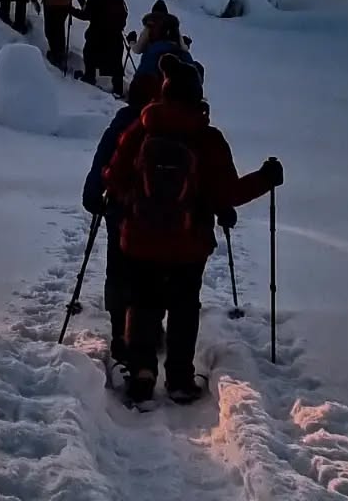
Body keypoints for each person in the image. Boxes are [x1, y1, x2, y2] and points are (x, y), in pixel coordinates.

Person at [105, 54, 283, 405]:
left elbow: (113, 176)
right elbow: (227, 193)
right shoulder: (207, 138)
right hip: (189, 243)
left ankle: (142, 372)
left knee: (142, 304)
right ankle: (179, 379)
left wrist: (132, 200)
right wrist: (266, 178)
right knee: (184, 307)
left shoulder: (141, 129)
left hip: (140, 239)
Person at [82, 69, 164, 363]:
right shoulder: (165, 126)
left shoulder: (121, 125)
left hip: (120, 214)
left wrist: (94, 197)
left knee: (118, 272)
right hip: (159, 219)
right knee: (153, 275)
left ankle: (120, 333)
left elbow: (101, 163)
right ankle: (151, 330)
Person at [79, 0, 129, 95]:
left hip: (96, 35)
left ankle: (89, 77)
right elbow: (124, 13)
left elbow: (86, 15)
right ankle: (118, 89)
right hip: (115, 35)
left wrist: (71, 10)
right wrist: (120, 26)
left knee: (89, 54)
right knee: (116, 62)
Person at [132, 1, 202, 80]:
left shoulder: (150, 25)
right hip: (173, 60)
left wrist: (132, 42)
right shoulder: (173, 26)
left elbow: (138, 49)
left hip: (154, 63)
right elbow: (184, 48)